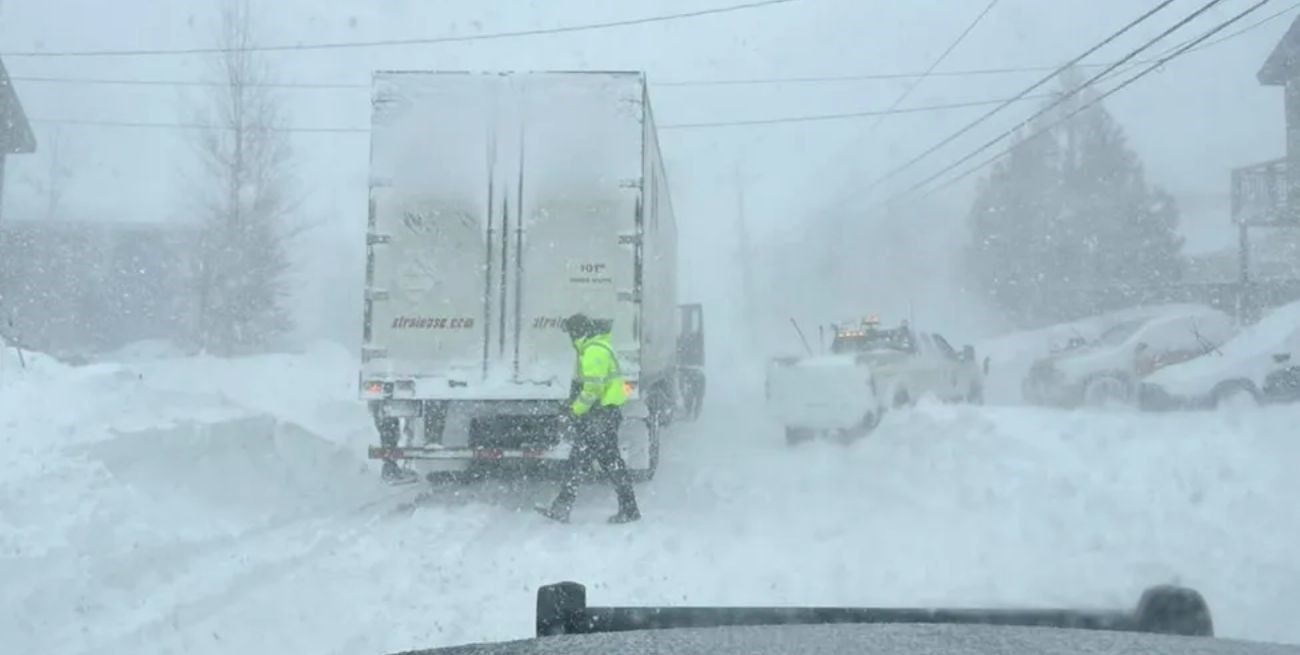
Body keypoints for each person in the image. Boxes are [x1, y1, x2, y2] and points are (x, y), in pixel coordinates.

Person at [536, 313, 641, 524]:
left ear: (578, 332)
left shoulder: (593, 351)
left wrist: (575, 409)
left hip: (599, 416)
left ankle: (564, 508)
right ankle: (627, 508)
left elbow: (592, 388)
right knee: (594, 462)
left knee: (589, 462)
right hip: (603, 415)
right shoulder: (595, 347)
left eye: (571, 333)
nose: (570, 338)